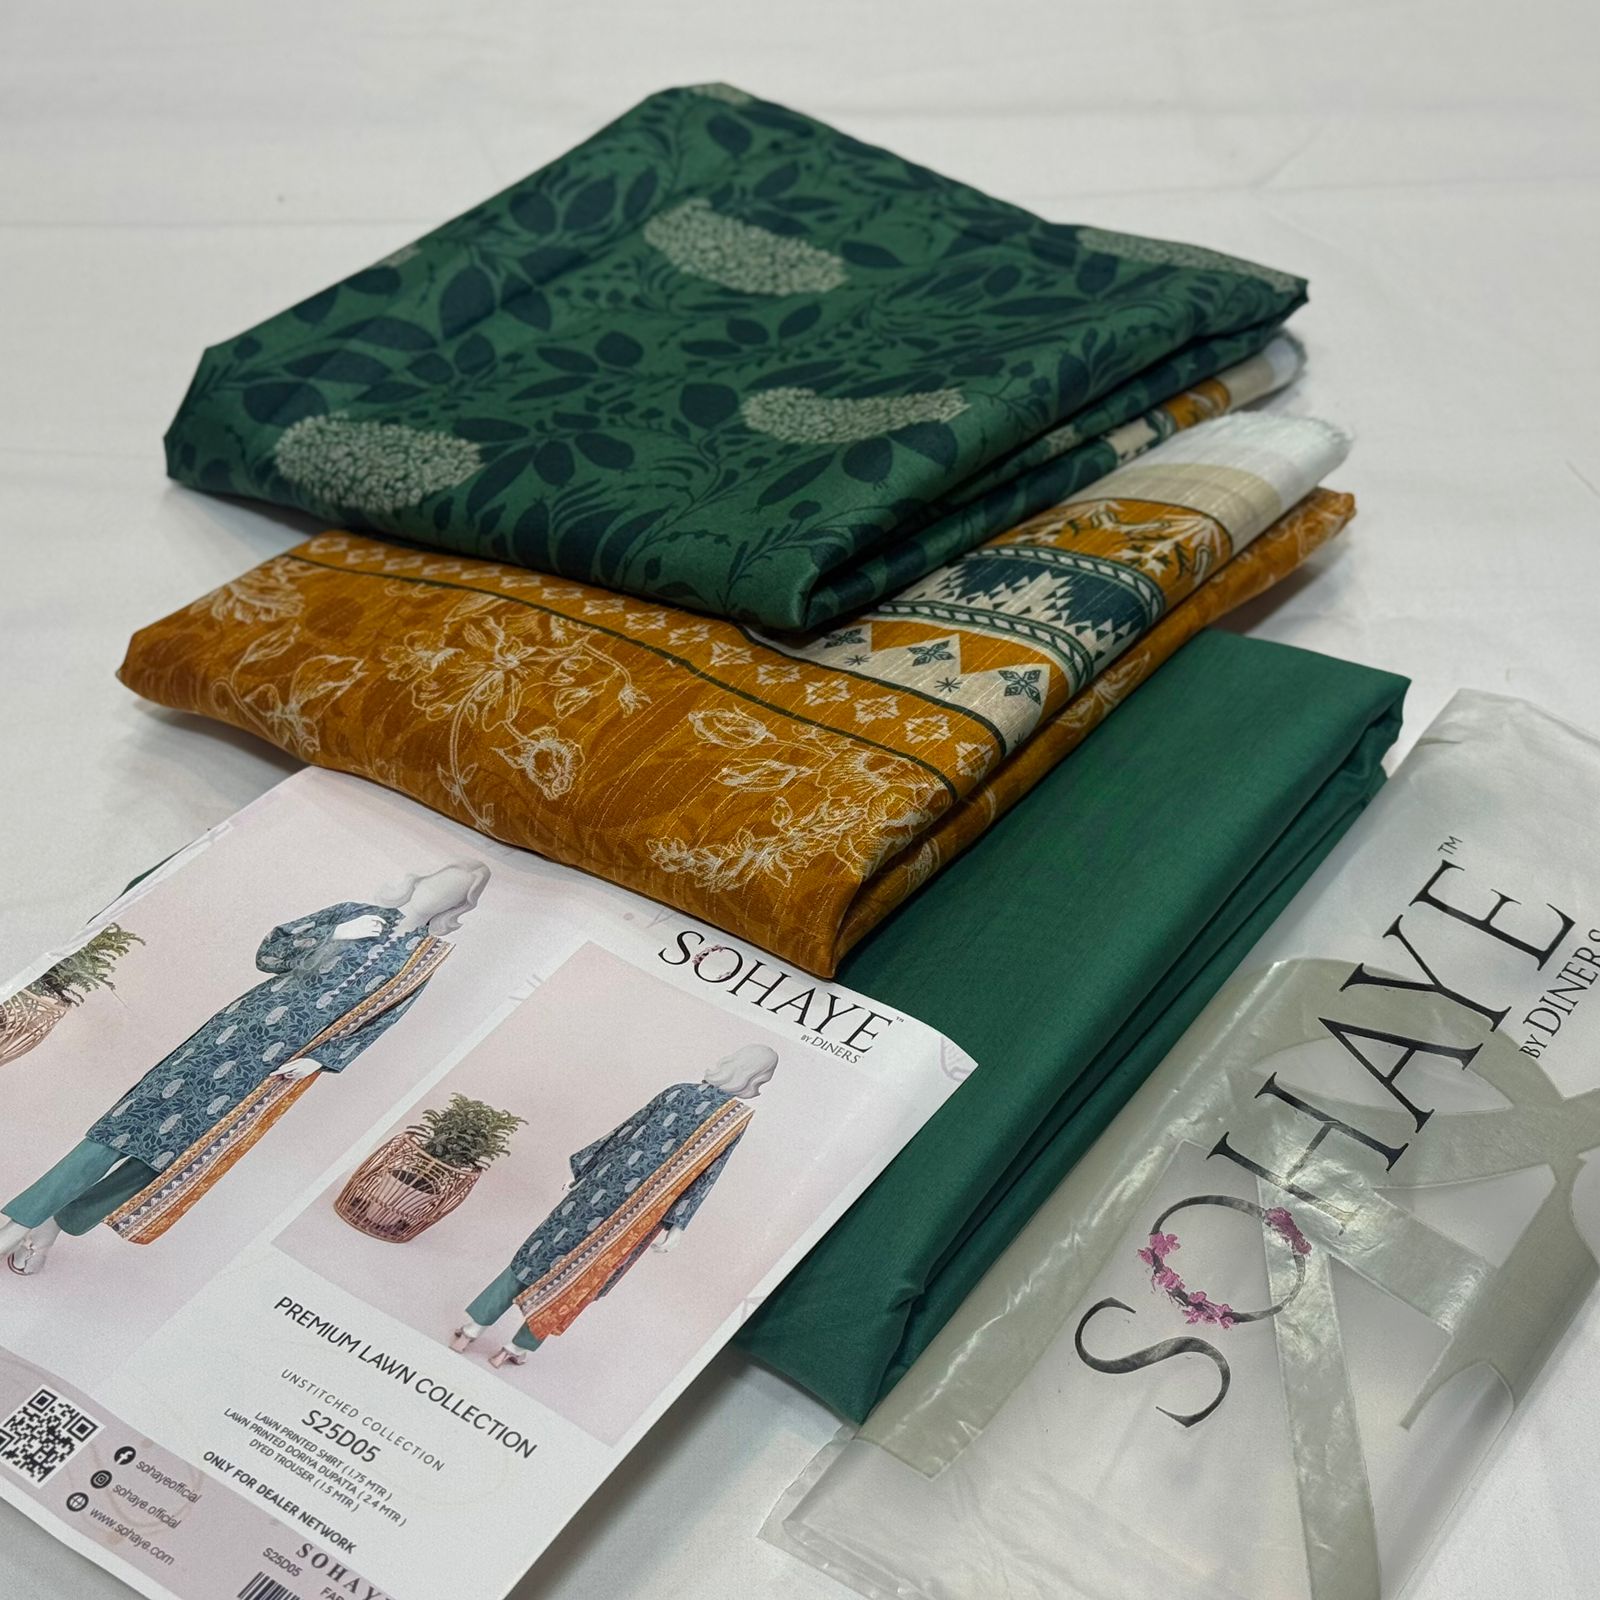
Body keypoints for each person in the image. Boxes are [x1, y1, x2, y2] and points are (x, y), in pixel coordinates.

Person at [0, 862, 489, 1274]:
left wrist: (320, 1060)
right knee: (123, 1129)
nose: (437, 897)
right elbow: (270, 955)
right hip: (232, 1036)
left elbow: (383, 1020)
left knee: (174, 1154)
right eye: (438, 884)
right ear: (420, 881)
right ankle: (17, 1223)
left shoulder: (422, 961)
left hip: (275, 1071)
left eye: (453, 896)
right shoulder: (352, 913)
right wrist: (333, 935)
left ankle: (54, 1226)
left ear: (455, 908)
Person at [451, 1043, 777, 1368]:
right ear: (755, 1077)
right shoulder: (735, 1119)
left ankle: (472, 1328)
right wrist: (677, 1224)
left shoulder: (678, 1091)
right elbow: (708, 1173)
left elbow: (626, 1131)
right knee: (584, 1273)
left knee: (540, 1252)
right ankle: (516, 1347)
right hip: (644, 1211)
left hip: (603, 1184)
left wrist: (584, 1169)